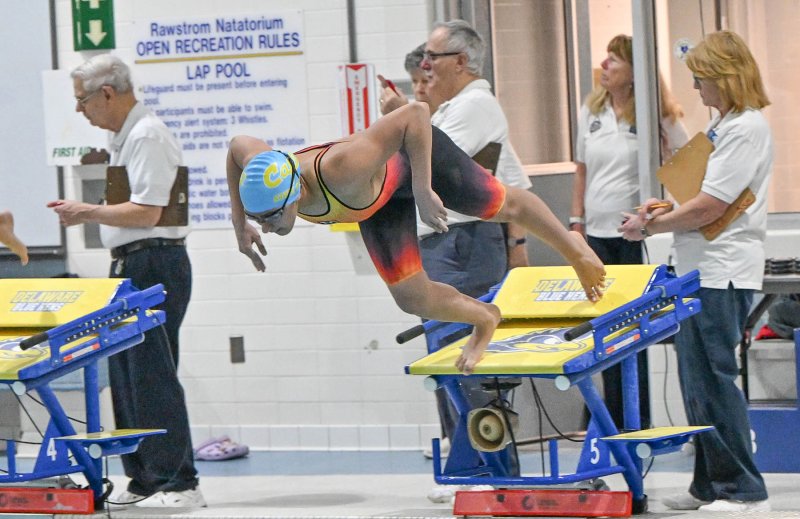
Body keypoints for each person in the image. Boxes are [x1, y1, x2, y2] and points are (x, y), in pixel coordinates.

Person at [228, 104, 606, 379]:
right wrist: (238, 220)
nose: (269, 227)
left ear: (295, 192)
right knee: (411, 297)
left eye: (273, 216)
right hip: (376, 204)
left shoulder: (344, 166)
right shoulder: (264, 167)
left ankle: (573, 247)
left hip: (416, 162)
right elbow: (235, 146)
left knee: (503, 206)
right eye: (261, 218)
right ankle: (485, 317)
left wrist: (424, 189)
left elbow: (415, 114)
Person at [619, 30, 771, 512]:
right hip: (696, 269)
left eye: (701, 79)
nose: (697, 89)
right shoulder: (721, 126)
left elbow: (711, 207)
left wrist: (651, 228)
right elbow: (696, 193)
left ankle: (744, 491)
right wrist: (659, 208)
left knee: (715, 380)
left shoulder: (747, 127)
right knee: (697, 384)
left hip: (721, 271)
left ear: (724, 78)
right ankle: (707, 485)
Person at [47, 54, 204, 508]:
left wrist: (87, 211)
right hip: (132, 262)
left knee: (153, 374)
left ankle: (180, 482)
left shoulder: (147, 135)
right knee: (128, 375)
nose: (81, 110)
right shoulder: (124, 137)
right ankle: (146, 477)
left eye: (82, 101)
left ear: (108, 93)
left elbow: (149, 212)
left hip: (155, 262)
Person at [379, 23, 531, 472]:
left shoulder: (475, 106)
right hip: (446, 244)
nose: (423, 67)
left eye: (432, 58)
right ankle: (471, 464)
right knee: (447, 355)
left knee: (467, 355)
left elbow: (426, 170)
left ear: (461, 63)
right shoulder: (448, 110)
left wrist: (398, 119)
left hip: (462, 245)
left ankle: (491, 468)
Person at [570, 34, 688, 431]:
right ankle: (604, 417)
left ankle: (635, 418)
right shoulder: (592, 111)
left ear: (636, 72)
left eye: (613, 62)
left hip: (635, 236)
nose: (604, 67)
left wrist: (660, 207)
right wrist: (576, 223)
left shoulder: (657, 114)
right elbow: (582, 170)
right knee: (601, 327)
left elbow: (686, 166)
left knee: (632, 330)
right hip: (596, 235)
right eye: (605, 60)